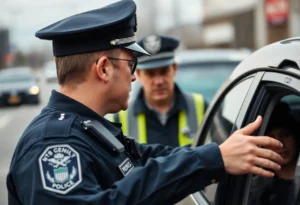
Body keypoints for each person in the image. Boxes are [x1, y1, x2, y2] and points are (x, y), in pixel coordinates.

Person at [7, 1, 283, 204]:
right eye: (132, 63)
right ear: (103, 69)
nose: (134, 77)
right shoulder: (54, 145)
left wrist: (220, 153)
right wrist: (214, 159)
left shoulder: (88, 129)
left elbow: (148, 158)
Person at [110, 35, 207, 146]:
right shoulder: (120, 119)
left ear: (174, 69)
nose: (158, 81)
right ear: (138, 74)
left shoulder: (200, 106)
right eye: (150, 74)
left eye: (164, 71)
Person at [248, 102, 300, 205]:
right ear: (261, 145)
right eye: (270, 138)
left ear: (296, 137)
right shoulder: (255, 191)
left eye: (285, 135)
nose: (279, 144)